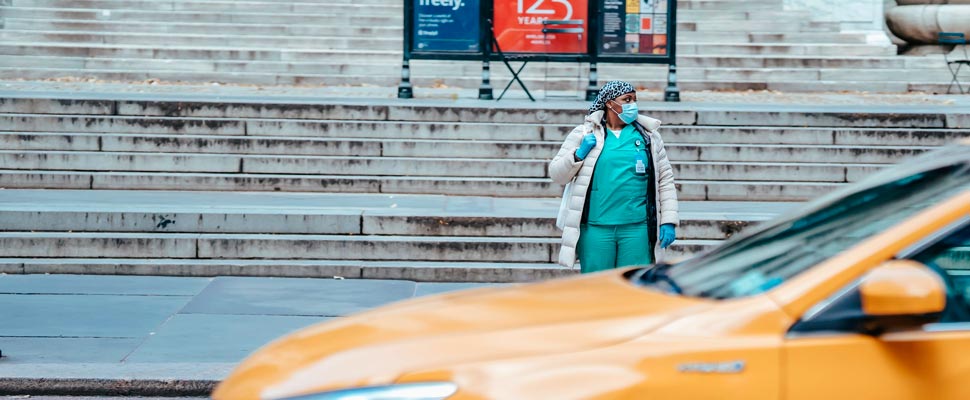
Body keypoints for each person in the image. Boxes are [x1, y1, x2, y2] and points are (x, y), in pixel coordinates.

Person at [549, 80, 679, 273]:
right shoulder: (584, 133)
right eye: (627, 100)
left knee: (633, 286)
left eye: (634, 100)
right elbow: (557, 174)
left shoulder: (649, 137)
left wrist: (669, 220)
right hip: (596, 229)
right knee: (597, 288)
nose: (632, 105)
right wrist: (578, 154)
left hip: (637, 229)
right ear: (610, 103)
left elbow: (665, 180)